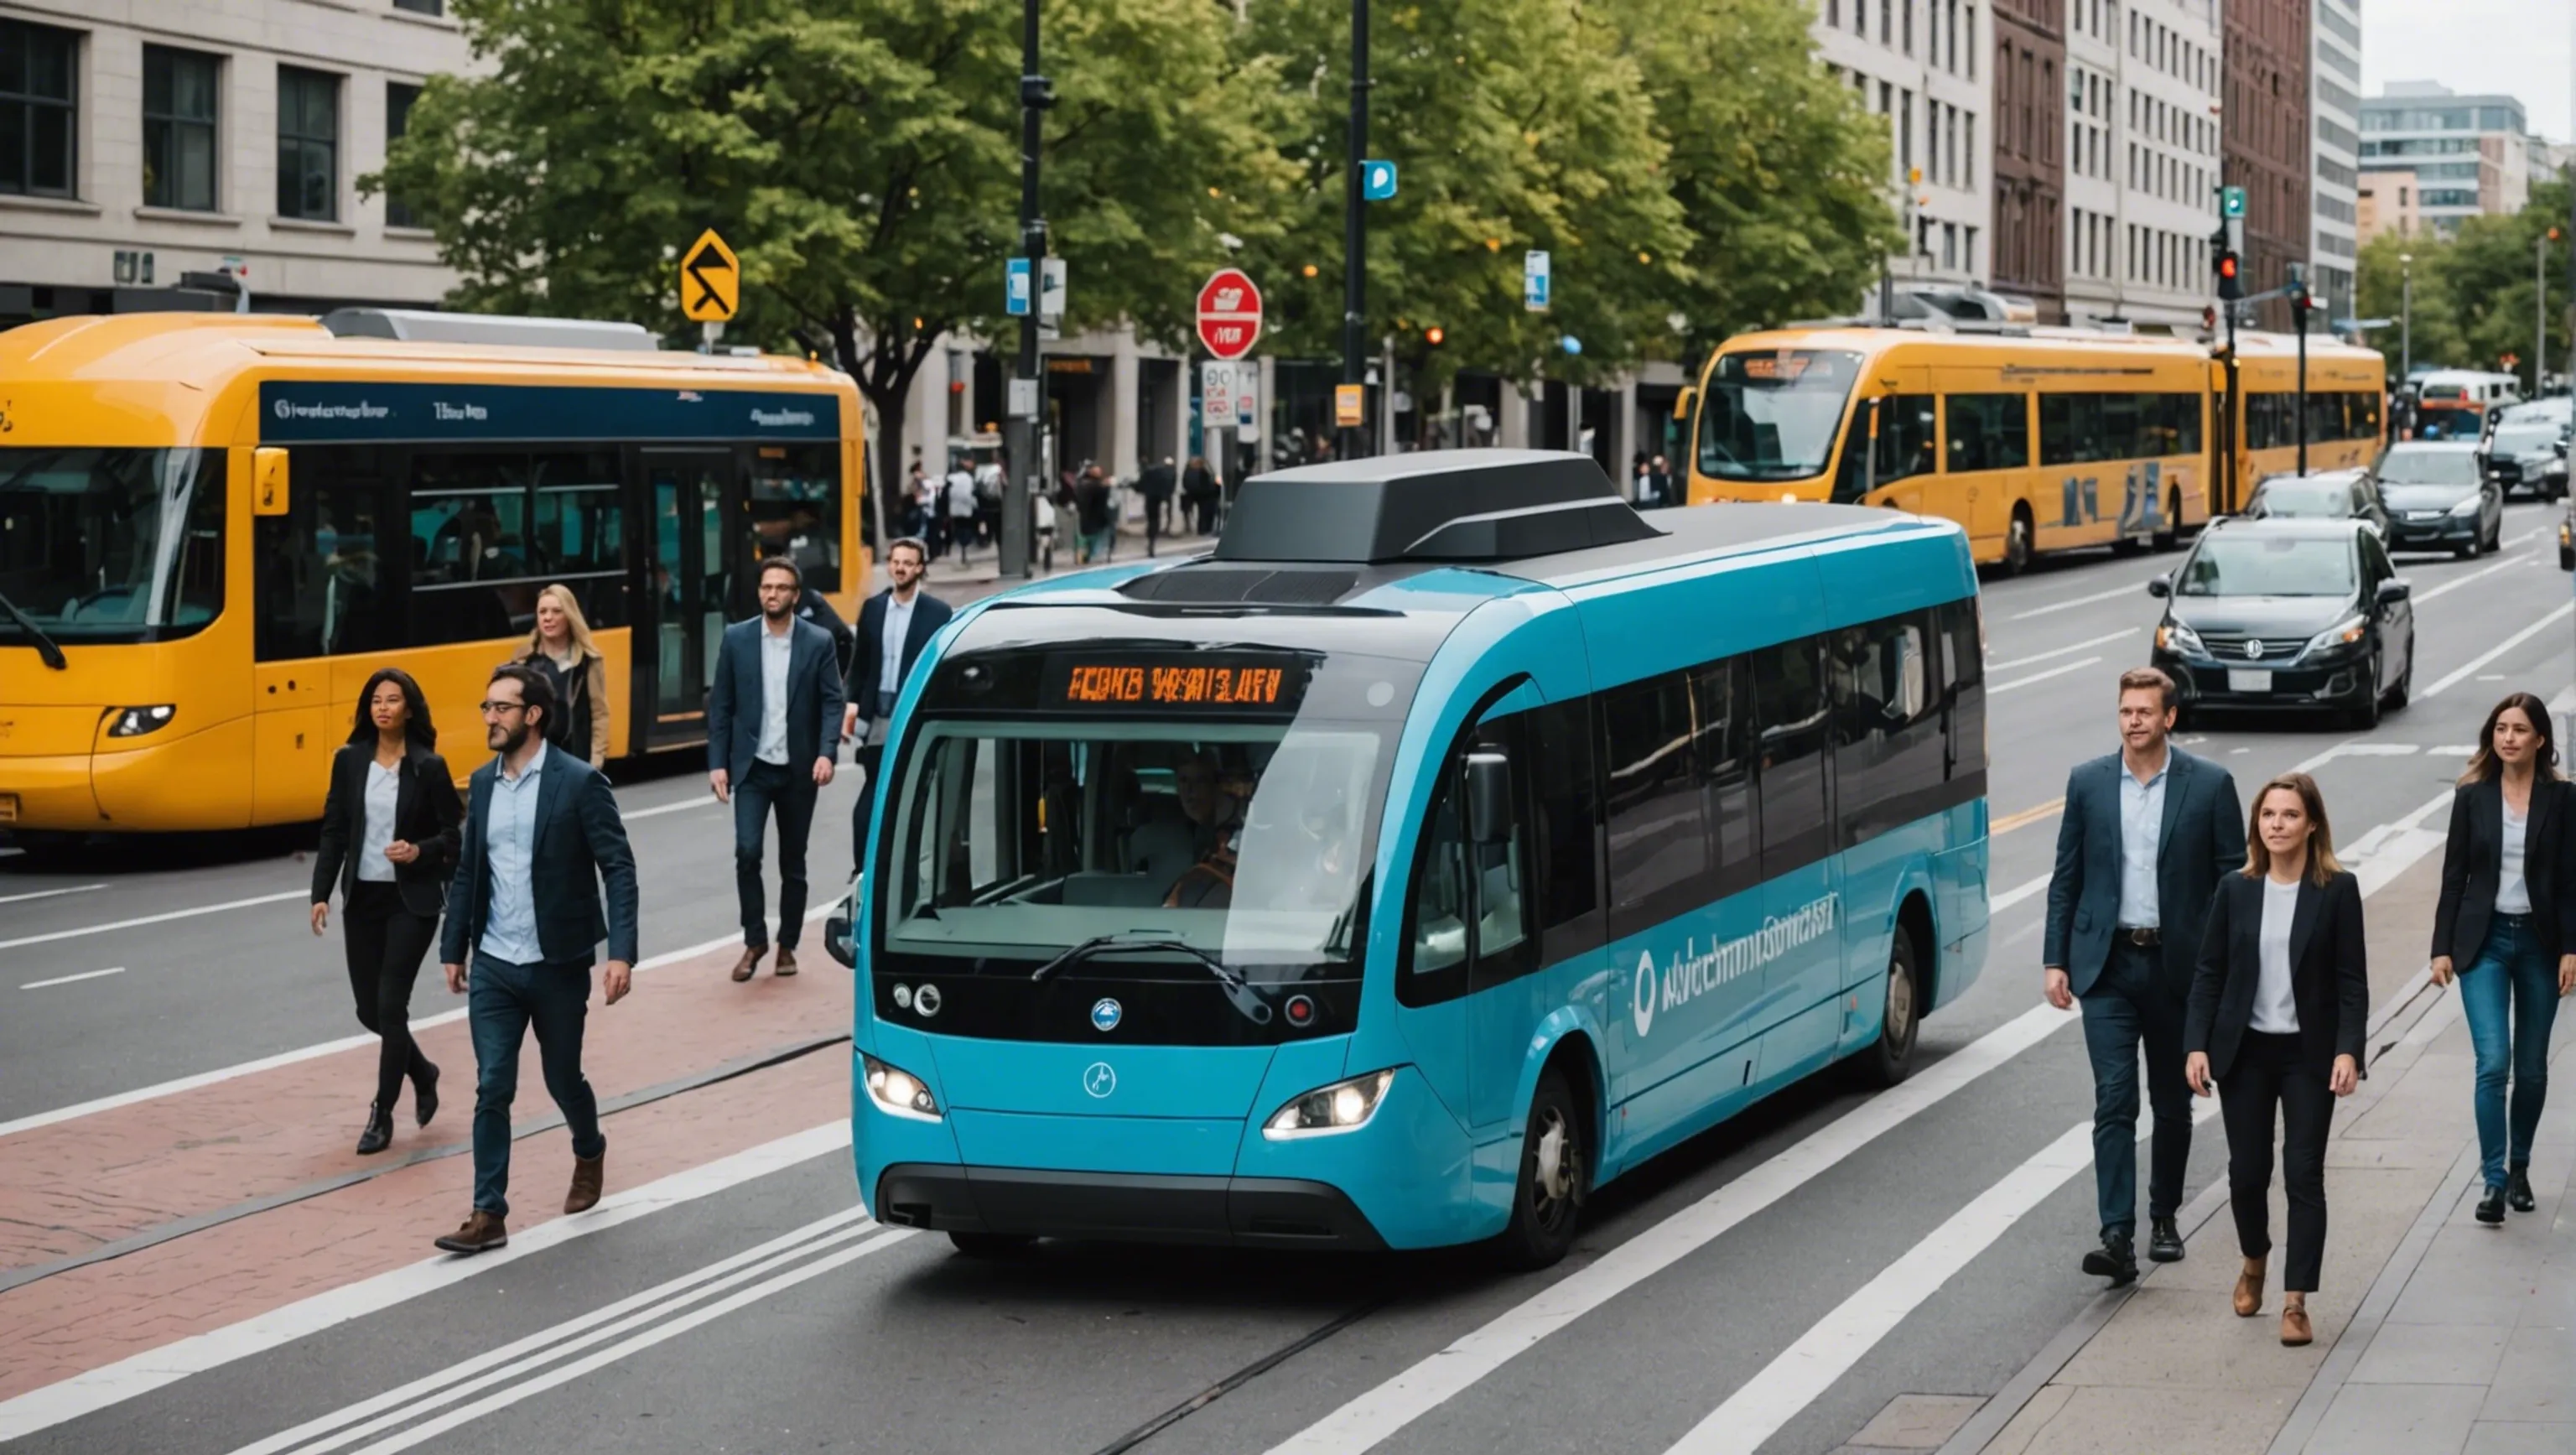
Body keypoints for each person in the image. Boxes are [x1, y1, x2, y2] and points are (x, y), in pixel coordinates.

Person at [2044, 666, 2245, 1282]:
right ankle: (2116, 1234)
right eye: (2126, 710)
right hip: (2105, 965)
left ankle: (2163, 1216)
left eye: (2144, 711)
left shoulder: (2209, 785)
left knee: (2173, 1101)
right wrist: (2056, 959)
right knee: (2114, 1099)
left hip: (2176, 966)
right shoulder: (2089, 783)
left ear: (2169, 717)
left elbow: (2235, 883)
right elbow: (2067, 878)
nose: (2133, 720)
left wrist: (2228, 970)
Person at [432, 663, 638, 1255]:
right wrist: (454, 946)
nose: (490, 717)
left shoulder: (578, 782)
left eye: (501, 707)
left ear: (533, 715)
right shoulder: (483, 783)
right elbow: (471, 869)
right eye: (486, 707)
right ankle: (487, 1212)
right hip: (495, 959)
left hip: (557, 960)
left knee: (561, 1076)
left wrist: (620, 951)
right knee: (493, 1083)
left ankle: (589, 1148)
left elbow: (618, 867)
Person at [2185, 772, 2368, 1347]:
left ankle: (2295, 1300)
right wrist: (2196, 1043)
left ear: (2312, 823)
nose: (2277, 825)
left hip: (2308, 1053)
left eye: (2289, 815)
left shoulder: (2337, 888)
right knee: (2247, 1174)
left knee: (2303, 1173)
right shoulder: (2236, 888)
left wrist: (2349, 1049)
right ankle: (2255, 1257)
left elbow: (2351, 980)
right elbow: (2209, 970)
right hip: (2246, 1051)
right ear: (2256, 825)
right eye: (2269, 815)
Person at [2430, 692, 2576, 1224]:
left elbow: (2569, 881)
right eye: (2500, 728)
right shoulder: (2472, 798)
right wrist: (2441, 948)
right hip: (2484, 941)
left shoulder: (2563, 800)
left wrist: (2571, 948)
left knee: (2533, 1070)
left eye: (2518, 729)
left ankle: (2519, 1167)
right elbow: (2454, 878)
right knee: (2493, 1064)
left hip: (2540, 943)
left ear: (2540, 739)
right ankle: (2492, 1182)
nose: (2508, 737)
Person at [310, 668, 463, 1155]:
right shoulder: (350, 761)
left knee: (392, 1004)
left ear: (409, 709)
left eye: (393, 700)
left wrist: (419, 851)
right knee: (369, 1009)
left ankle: (381, 1112)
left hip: (410, 901)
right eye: (376, 700)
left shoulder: (429, 767)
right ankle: (423, 1070)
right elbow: (335, 829)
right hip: (363, 899)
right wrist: (320, 892)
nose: (383, 707)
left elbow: (454, 838)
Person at [709, 557, 845, 982]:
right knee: (747, 852)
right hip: (752, 768)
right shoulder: (737, 639)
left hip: (799, 769)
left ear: (795, 595)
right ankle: (755, 940)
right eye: (767, 587)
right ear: (759, 592)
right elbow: (722, 705)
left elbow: (831, 702)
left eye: (782, 588)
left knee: (794, 862)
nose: (773, 594)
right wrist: (717, 763)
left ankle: (787, 944)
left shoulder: (818, 641)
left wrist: (827, 753)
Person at [843, 538, 953, 860]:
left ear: (920, 568)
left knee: (910, 787)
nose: (900, 568)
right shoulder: (873, 608)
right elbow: (860, 662)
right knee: (875, 785)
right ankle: (863, 864)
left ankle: (902, 859)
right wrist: (852, 706)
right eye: (896, 562)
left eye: (908, 563)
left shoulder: (937, 613)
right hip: (876, 714)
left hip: (912, 712)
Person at [512, 585, 610, 767]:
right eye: (542, 612)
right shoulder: (525, 663)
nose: (548, 618)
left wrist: (596, 760)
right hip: (536, 761)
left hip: (576, 759)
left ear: (570, 616)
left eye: (557, 611)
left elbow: (600, 713)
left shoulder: (587, 661)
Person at [1075, 465, 1115, 564]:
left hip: (1086, 516)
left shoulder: (1083, 484)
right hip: (1095, 516)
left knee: (1085, 538)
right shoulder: (1095, 486)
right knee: (1097, 537)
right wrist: (1107, 486)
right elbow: (1101, 495)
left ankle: (1085, 555)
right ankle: (1093, 554)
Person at [1140, 455, 1177, 555]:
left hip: (1151, 499)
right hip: (1160, 498)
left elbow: (1141, 486)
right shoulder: (1165, 474)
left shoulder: (1149, 473)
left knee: (1152, 519)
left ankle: (1151, 538)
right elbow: (1170, 485)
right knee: (1156, 519)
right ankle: (1153, 538)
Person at [945, 460, 979, 564]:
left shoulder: (951, 478)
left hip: (954, 509)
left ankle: (960, 546)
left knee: (958, 528)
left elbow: (946, 494)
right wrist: (975, 506)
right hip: (967, 509)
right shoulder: (969, 478)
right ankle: (965, 548)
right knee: (967, 528)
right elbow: (972, 493)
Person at [1182, 455, 1219, 537]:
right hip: (1204, 495)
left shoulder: (1188, 471)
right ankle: (1203, 529)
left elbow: (1184, 482)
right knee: (1203, 513)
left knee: (1195, 513)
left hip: (1192, 494)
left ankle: (1198, 529)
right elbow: (1209, 483)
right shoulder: (1204, 471)